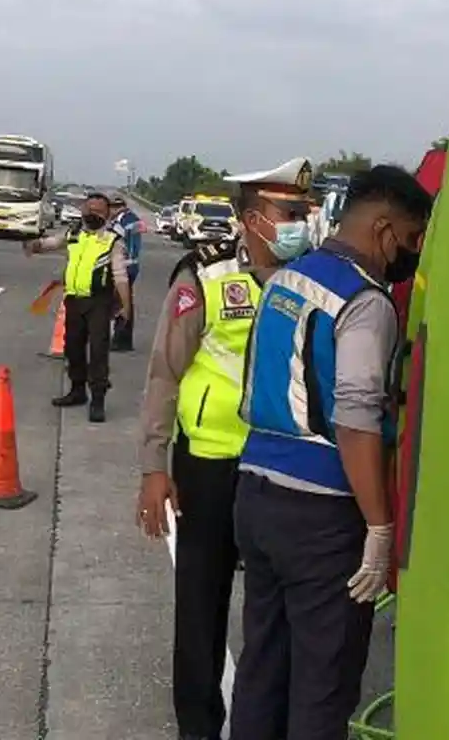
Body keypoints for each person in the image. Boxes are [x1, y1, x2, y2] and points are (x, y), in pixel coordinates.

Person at [229, 165, 432, 740]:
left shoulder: (285, 280)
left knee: (263, 667)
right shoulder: (365, 302)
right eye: (414, 240)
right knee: (323, 684)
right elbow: (357, 418)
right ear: (386, 229)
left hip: (256, 495)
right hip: (321, 516)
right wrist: (378, 527)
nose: (413, 254)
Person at [135, 158, 316, 740]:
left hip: (282, 470)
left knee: (276, 609)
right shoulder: (205, 278)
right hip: (210, 467)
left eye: (304, 213)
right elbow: (164, 373)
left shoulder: (309, 281)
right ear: (253, 218)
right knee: (201, 604)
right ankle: (198, 726)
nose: (300, 225)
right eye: (289, 214)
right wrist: (153, 469)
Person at [24, 191, 131, 423]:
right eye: (89, 209)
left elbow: (121, 276)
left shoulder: (113, 241)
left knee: (99, 351)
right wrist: (35, 245)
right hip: (74, 301)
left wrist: (125, 306)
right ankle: (77, 390)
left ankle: (98, 400)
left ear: (107, 214)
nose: (92, 214)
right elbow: (52, 243)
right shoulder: (74, 233)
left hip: (99, 302)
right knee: (72, 347)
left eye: (98, 211)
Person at [107, 193, 143, 352]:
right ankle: (123, 339)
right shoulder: (131, 219)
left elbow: (116, 243)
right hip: (131, 264)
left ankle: (121, 339)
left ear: (117, 207)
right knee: (124, 301)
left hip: (126, 266)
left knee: (120, 302)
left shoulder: (123, 222)